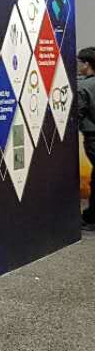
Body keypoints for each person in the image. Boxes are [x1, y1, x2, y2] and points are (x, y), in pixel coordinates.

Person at [78, 47, 95, 227]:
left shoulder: (83, 87)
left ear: (87, 64)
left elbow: (78, 114)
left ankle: (92, 216)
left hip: (92, 138)